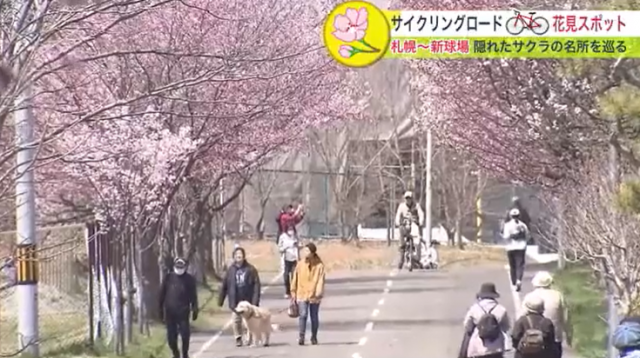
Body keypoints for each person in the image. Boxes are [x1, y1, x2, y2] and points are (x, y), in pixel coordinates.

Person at [218, 247, 261, 347]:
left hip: (248, 300)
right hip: (235, 299)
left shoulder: (250, 269)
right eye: (237, 254)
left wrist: (255, 301)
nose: (239, 256)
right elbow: (225, 285)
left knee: (249, 320)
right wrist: (221, 299)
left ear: (244, 256)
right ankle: (238, 337)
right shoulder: (230, 270)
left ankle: (248, 337)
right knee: (236, 320)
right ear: (234, 256)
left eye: (240, 254)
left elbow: (256, 285)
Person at [523, 271, 570, 357]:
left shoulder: (529, 296)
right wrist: (568, 334)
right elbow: (565, 317)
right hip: (554, 338)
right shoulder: (558, 295)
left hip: (533, 340)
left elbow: (522, 317)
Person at [159, 258, 199, 358]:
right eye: (178, 266)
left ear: (185, 267)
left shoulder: (189, 279)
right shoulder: (168, 278)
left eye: (182, 266)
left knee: (185, 335)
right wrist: (160, 309)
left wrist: (195, 309)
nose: (179, 268)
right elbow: (162, 294)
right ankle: (175, 353)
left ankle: (185, 353)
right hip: (170, 312)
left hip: (183, 312)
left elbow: (193, 295)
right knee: (171, 337)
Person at [461, 282, 511, 358]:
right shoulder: (501, 309)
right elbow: (506, 327)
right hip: (496, 348)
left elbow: (467, 326)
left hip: (478, 348)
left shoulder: (475, 308)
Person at [290, 243, 326, 346]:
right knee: (303, 315)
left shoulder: (319, 266)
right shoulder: (300, 264)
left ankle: (314, 336)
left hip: (314, 295)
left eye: (307, 251)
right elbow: (295, 279)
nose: (305, 253)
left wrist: (318, 293)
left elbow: (321, 280)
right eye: (304, 251)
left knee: (314, 316)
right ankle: (301, 336)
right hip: (302, 293)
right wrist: (293, 292)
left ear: (313, 253)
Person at [394, 191, 425, 269]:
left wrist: (421, 221)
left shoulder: (416, 206)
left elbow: (421, 214)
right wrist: (397, 222)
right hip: (405, 225)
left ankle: (417, 258)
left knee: (418, 241)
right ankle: (401, 260)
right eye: (406, 199)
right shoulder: (401, 206)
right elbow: (398, 215)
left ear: (412, 199)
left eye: (409, 198)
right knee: (402, 243)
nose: (408, 200)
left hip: (414, 224)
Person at [503, 208, 530, 292]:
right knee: (520, 265)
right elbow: (528, 236)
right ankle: (519, 280)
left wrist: (512, 236)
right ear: (519, 216)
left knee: (512, 266)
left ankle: (514, 283)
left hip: (510, 248)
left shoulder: (507, 225)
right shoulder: (523, 225)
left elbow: (506, 237)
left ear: (511, 216)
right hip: (521, 247)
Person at [278, 227, 300, 298]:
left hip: (294, 259)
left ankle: (294, 291)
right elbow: (280, 248)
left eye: (292, 230)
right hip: (286, 259)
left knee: (294, 276)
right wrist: (286, 247)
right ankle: (288, 291)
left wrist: (298, 245)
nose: (291, 232)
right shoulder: (283, 237)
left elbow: (300, 245)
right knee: (286, 276)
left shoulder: (296, 236)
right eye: (289, 230)